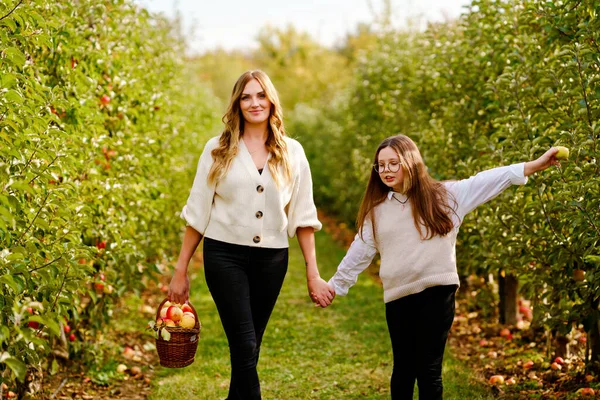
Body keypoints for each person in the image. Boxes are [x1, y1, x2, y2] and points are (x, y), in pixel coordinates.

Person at [327, 134, 561, 400]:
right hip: (398, 298)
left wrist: (534, 165)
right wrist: (335, 286)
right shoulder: (376, 213)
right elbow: (359, 251)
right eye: (381, 165)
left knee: (428, 369)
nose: (386, 170)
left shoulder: (446, 196)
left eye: (393, 163)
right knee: (403, 368)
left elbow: (487, 180)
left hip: (437, 294)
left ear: (410, 162)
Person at [168, 70, 335, 400]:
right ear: (237, 104)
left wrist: (312, 274)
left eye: (261, 95)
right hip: (224, 255)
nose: (254, 102)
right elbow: (197, 212)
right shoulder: (217, 149)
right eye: (246, 97)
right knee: (244, 343)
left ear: (271, 101)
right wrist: (180, 269)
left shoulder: (292, 152)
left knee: (249, 348)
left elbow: (302, 216)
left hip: (271, 260)